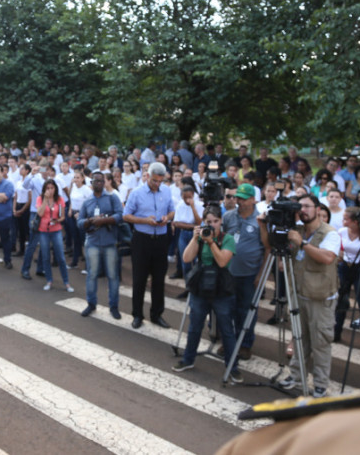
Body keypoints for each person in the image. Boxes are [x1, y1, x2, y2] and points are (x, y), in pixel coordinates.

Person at [277, 194, 341, 398]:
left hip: (320, 297)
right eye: (300, 207)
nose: (303, 210)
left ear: (318, 209)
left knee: (320, 342)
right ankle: (296, 375)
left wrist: (302, 243)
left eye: (307, 206)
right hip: (298, 293)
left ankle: (320, 383)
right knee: (299, 338)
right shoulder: (297, 230)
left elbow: (327, 258)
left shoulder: (330, 233)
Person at [173, 206, 243, 383]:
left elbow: (222, 261)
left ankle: (232, 367)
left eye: (215, 221)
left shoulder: (227, 239)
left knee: (227, 329)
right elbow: (186, 258)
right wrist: (195, 238)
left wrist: (211, 242)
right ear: (203, 222)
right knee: (195, 325)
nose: (212, 225)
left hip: (221, 287)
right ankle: (188, 359)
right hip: (201, 286)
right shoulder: (200, 237)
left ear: (221, 221)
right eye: (208, 222)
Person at [124, 162, 175, 329]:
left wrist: (167, 218)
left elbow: (172, 211)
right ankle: (137, 314)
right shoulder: (136, 193)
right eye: (154, 180)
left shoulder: (167, 191)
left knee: (159, 279)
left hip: (161, 239)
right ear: (147, 176)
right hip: (142, 240)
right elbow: (126, 216)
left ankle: (156, 314)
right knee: (139, 279)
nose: (157, 184)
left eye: (160, 181)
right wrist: (144, 220)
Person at [222, 183, 269, 360]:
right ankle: (229, 342)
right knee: (228, 309)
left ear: (253, 200)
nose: (239, 201)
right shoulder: (228, 216)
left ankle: (245, 344)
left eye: (243, 199)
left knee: (247, 310)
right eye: (237, 198)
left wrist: (261, 275)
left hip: (249, 274)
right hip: (229, 272)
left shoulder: (260, 220)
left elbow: (267, 248)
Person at [78, 171, 123, 318]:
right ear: (91, 183)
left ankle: (114, 306)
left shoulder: (112, 198)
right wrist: (89, 221)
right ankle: (91, 304)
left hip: (110, 242)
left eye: (100, 181)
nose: (98, 183)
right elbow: (79, 222)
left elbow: (120, 215)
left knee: (113, 276)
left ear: (104, 183)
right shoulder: (87, 201)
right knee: (92, 275)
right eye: (95, 181)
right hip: (93, 242)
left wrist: (104, 220)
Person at [333, 206, 360, 353]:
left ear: (356, 222)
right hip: (345, 267)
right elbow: (338, 249)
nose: (343, 222)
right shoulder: (341, 231)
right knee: (341, 300)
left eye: (346, 219)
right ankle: (336, 332)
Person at [36, 179, 72, 292]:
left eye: (52, 188)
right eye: (48, 188)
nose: (50, 190)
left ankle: (66, 282)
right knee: (46, 256)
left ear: (55, 189)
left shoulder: (59, 199)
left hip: (56, 230)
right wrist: (45, 199)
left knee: (60, 257)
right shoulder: (40, 198)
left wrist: (57, 220)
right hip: (43, 231)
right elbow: (40, 213)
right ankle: (49, 280)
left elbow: (62, 216)